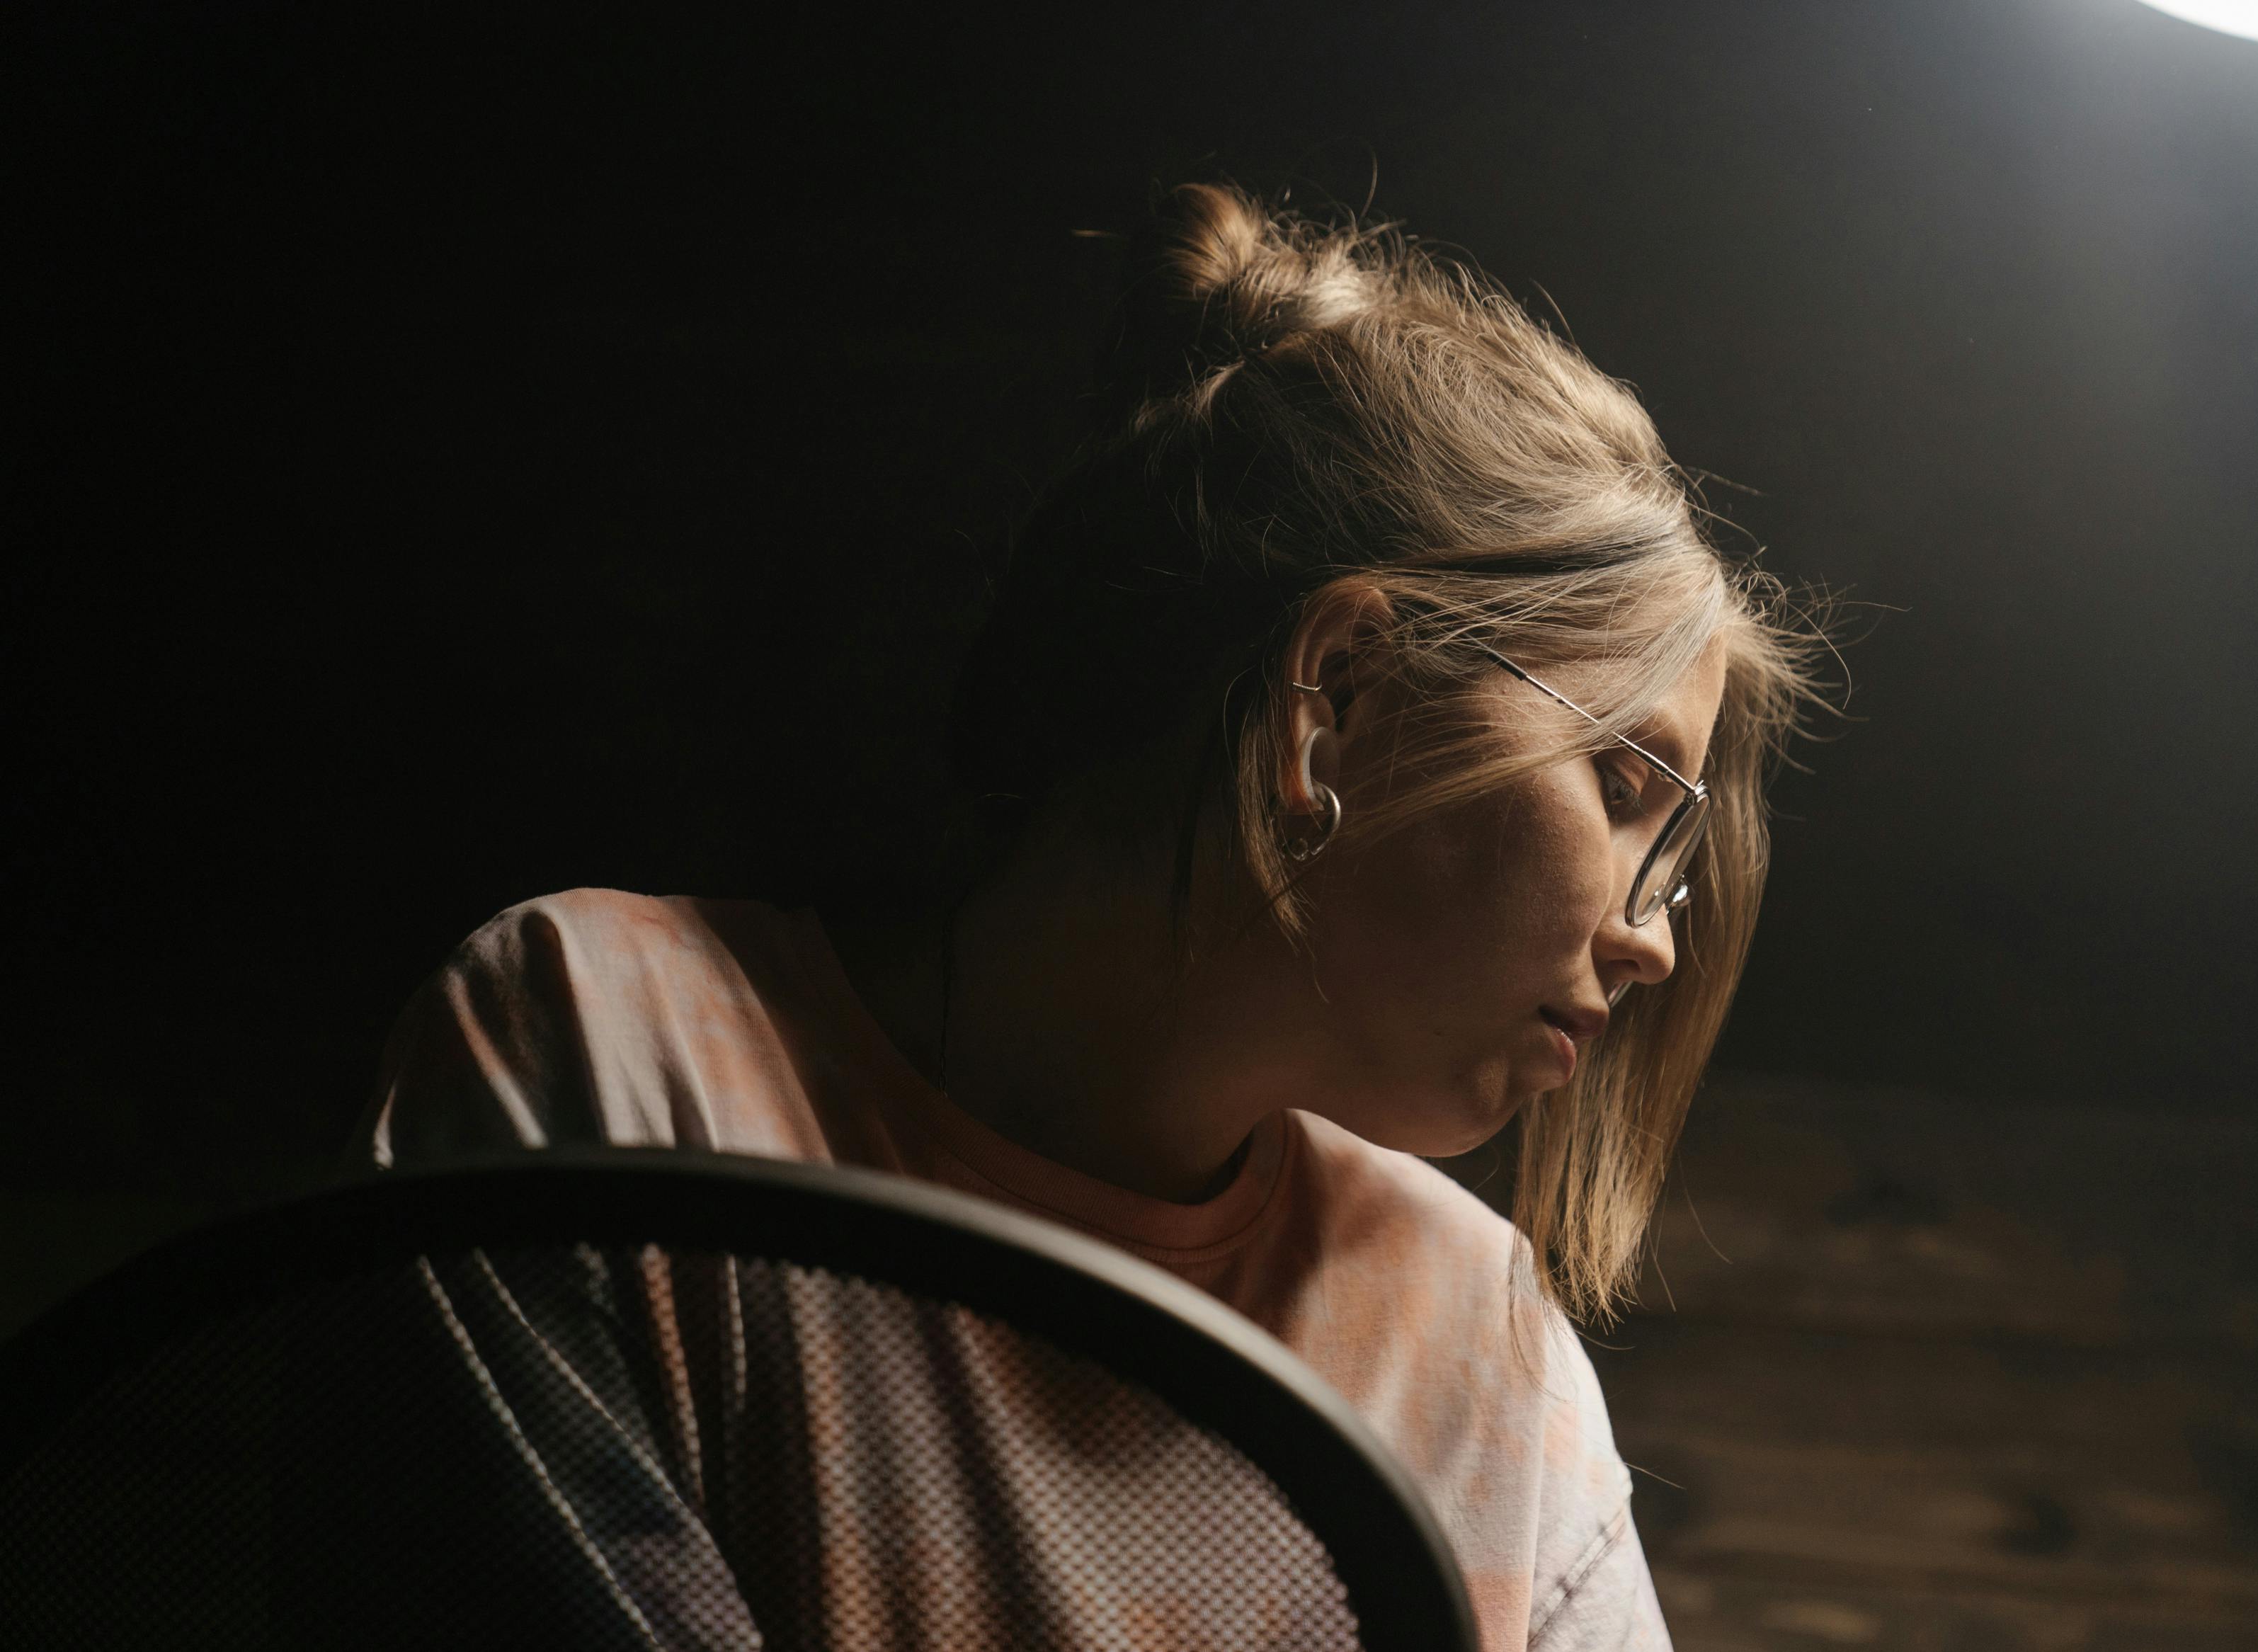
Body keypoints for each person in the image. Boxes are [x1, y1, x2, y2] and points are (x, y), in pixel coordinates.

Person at [364, 181, 1817, 1651]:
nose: (1656, 941)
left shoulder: (1480, 1345)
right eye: (1627, 784)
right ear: (1341, 696)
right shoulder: (614, 1054)